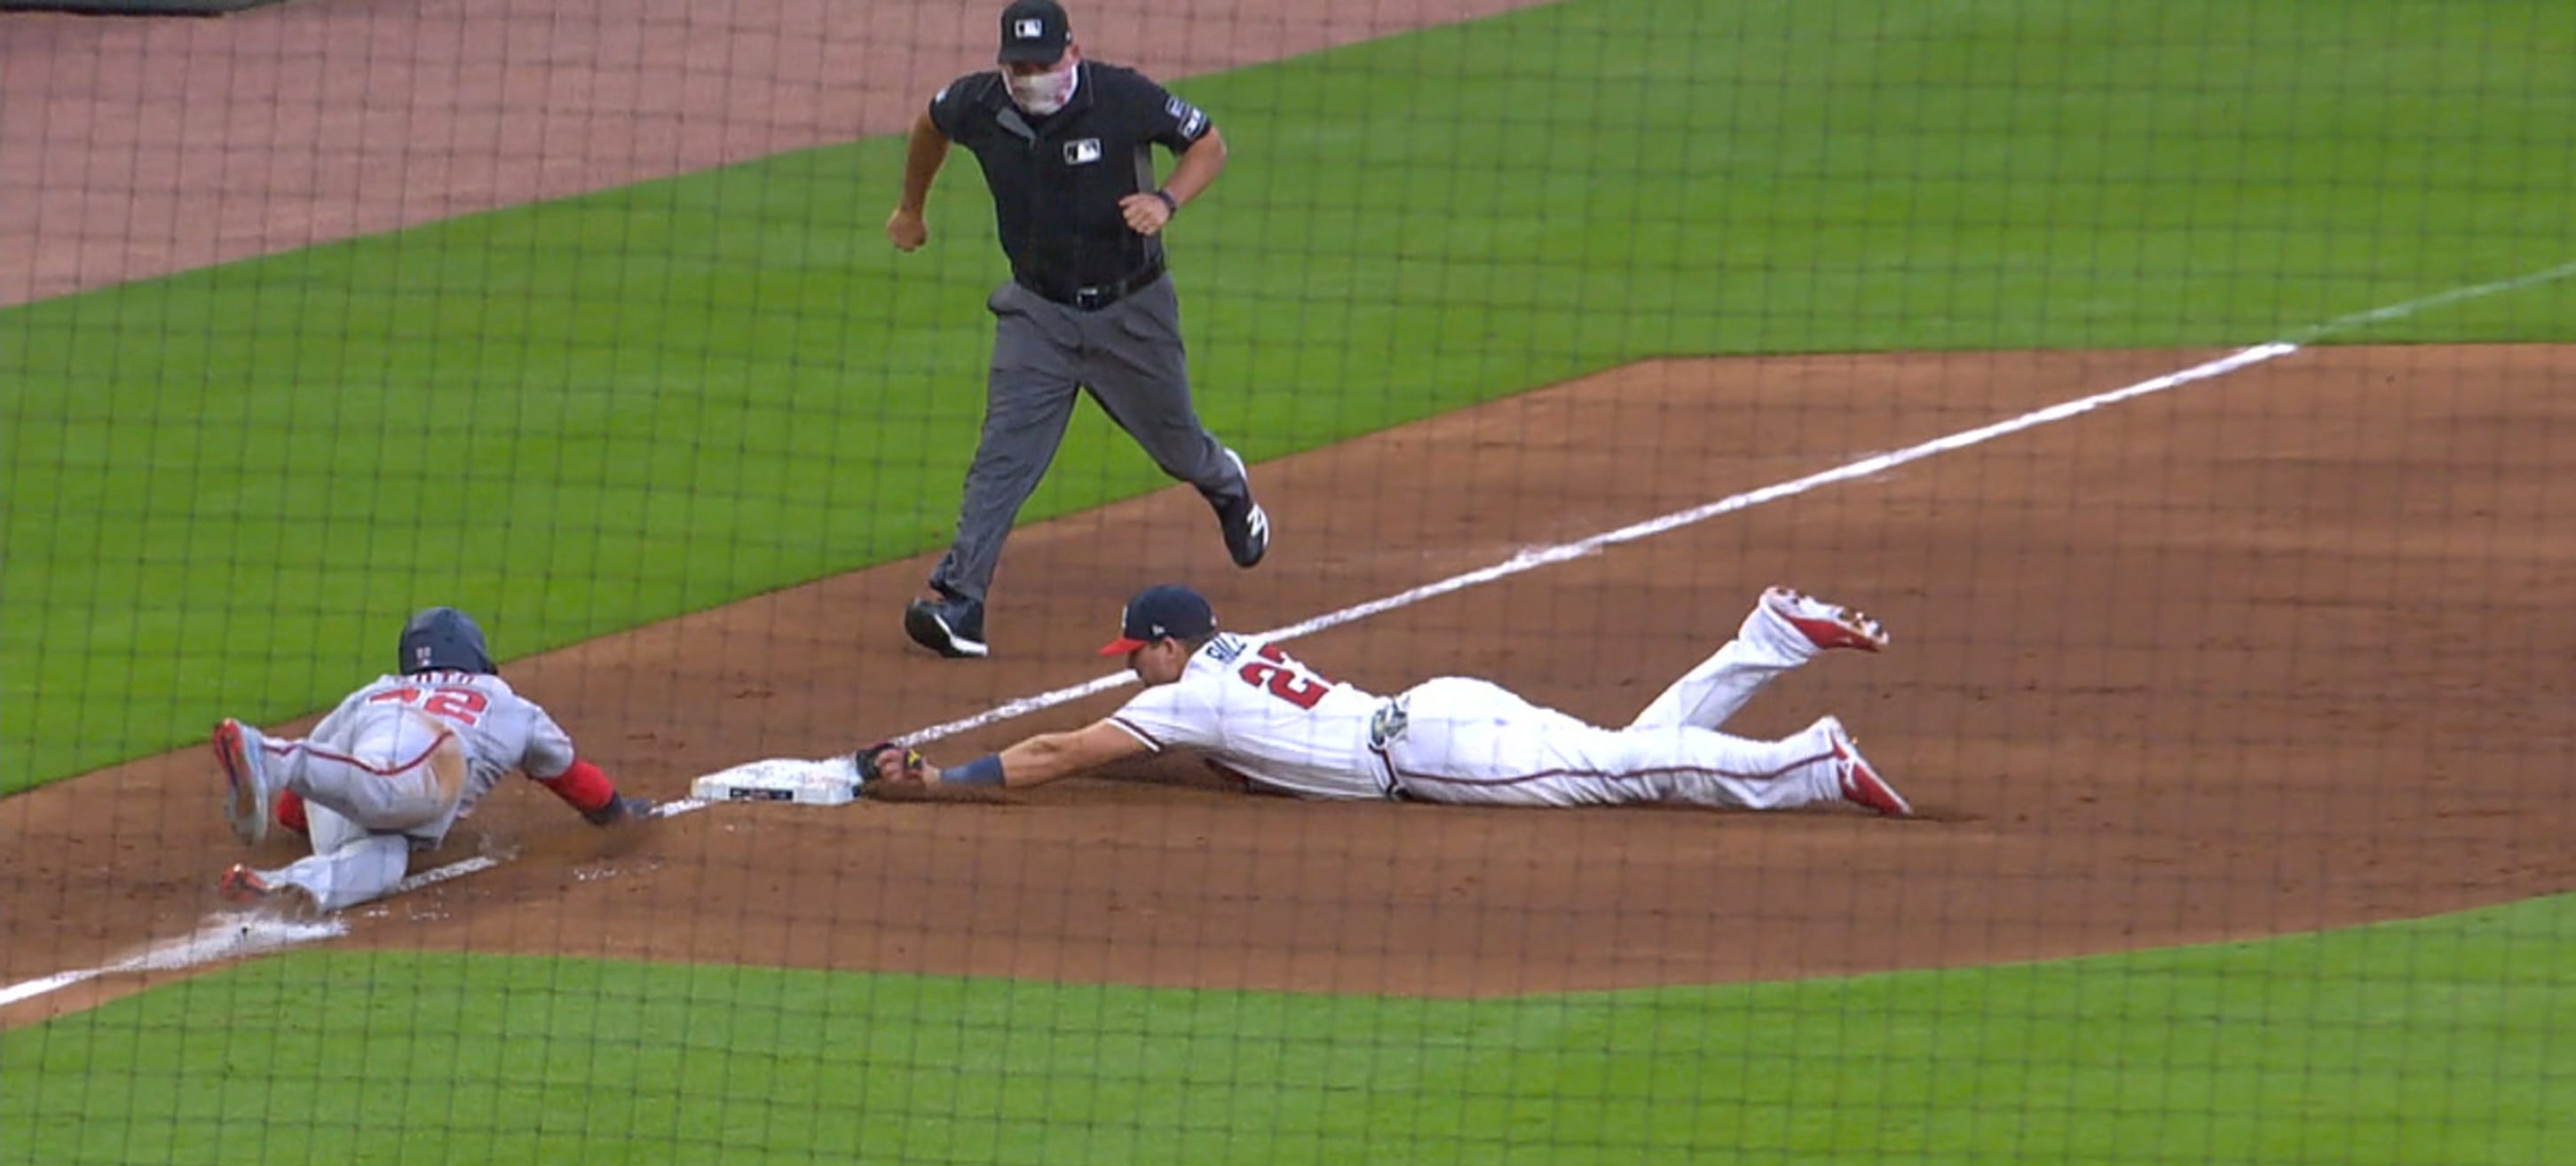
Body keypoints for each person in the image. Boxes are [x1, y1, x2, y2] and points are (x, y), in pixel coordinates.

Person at [889, 0, 1269, 661]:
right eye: (1019, 65)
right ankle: (962, 603)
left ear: (1072, 51)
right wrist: (909, 207)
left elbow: (1208, 144)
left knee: (1177, 448)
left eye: (1042, 62)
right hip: (1036, 314)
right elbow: (930, 123)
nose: (1030, 75)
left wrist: (1165, 200)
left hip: (1132, 311)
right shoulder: (980, 103)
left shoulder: (1120, 96)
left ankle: (1226, 484)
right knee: (1002, 458)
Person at [855, 584, 1915, 816]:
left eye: (1137, 652)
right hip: (1440, 708)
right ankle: (1763, 642)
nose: (1130, 665)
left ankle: (1808, 763)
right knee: (1617, 750)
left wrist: (941, 777)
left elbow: (1060, 753)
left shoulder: (1183, 702)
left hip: (1438, 755)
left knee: (1625, 772)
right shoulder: (1237, 657)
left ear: (1171, 645)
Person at [209, 607, 651, 914]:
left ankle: (289, 887)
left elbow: (293, 810)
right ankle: (263, 752)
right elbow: (571, 777)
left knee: (384, 859)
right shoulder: (503, 702)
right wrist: (616, 813)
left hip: (358, 757)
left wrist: (319, 821)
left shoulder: (375, 689)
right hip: (427, 753)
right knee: (385, 788)